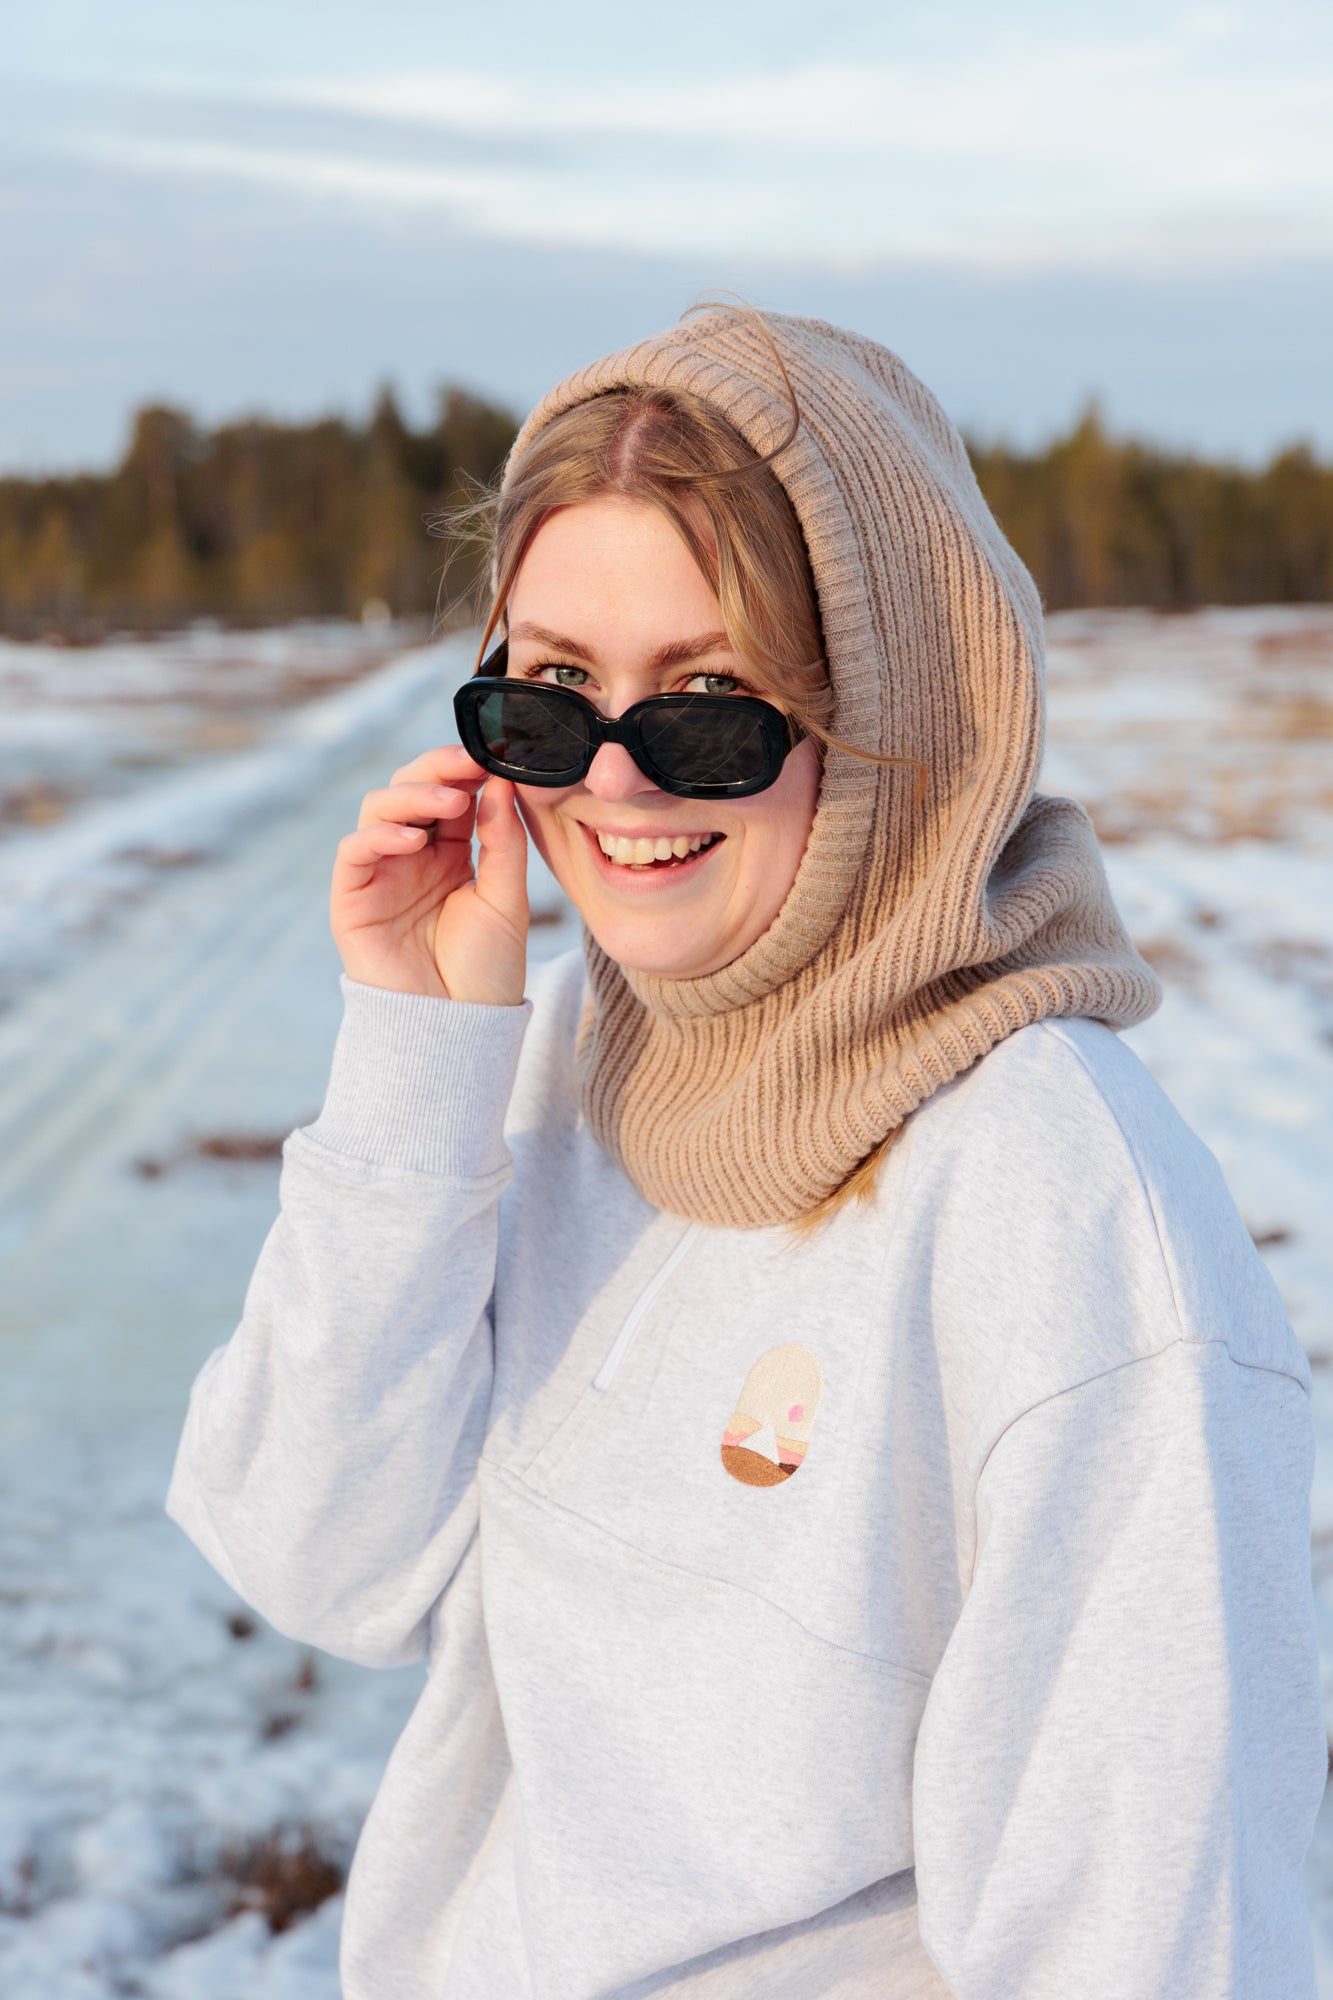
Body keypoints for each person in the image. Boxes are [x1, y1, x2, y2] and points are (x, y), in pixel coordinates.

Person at [166, 307, 1326, 1999]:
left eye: (712, 705)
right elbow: (313, 1550)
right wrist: (423, 1058)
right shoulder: (574, 1050)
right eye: (551, 697)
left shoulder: (1060, 1212)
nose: (617, 784)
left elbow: (1162, 1945)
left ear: (893, 712)